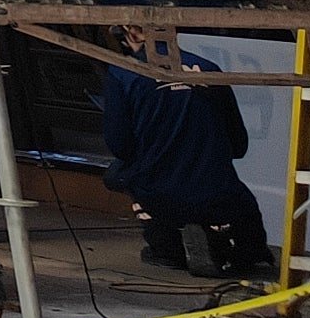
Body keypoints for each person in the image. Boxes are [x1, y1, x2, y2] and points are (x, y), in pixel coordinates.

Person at [101, 51, 269, 275]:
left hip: (158, 189)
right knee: (234, 199)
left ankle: (166, 246)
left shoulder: (123, 72)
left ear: (131, 30)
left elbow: (120, 146)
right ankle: (232, 242)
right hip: (218, 193)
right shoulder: (209, 68)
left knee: (117, 175)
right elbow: (238, 145)